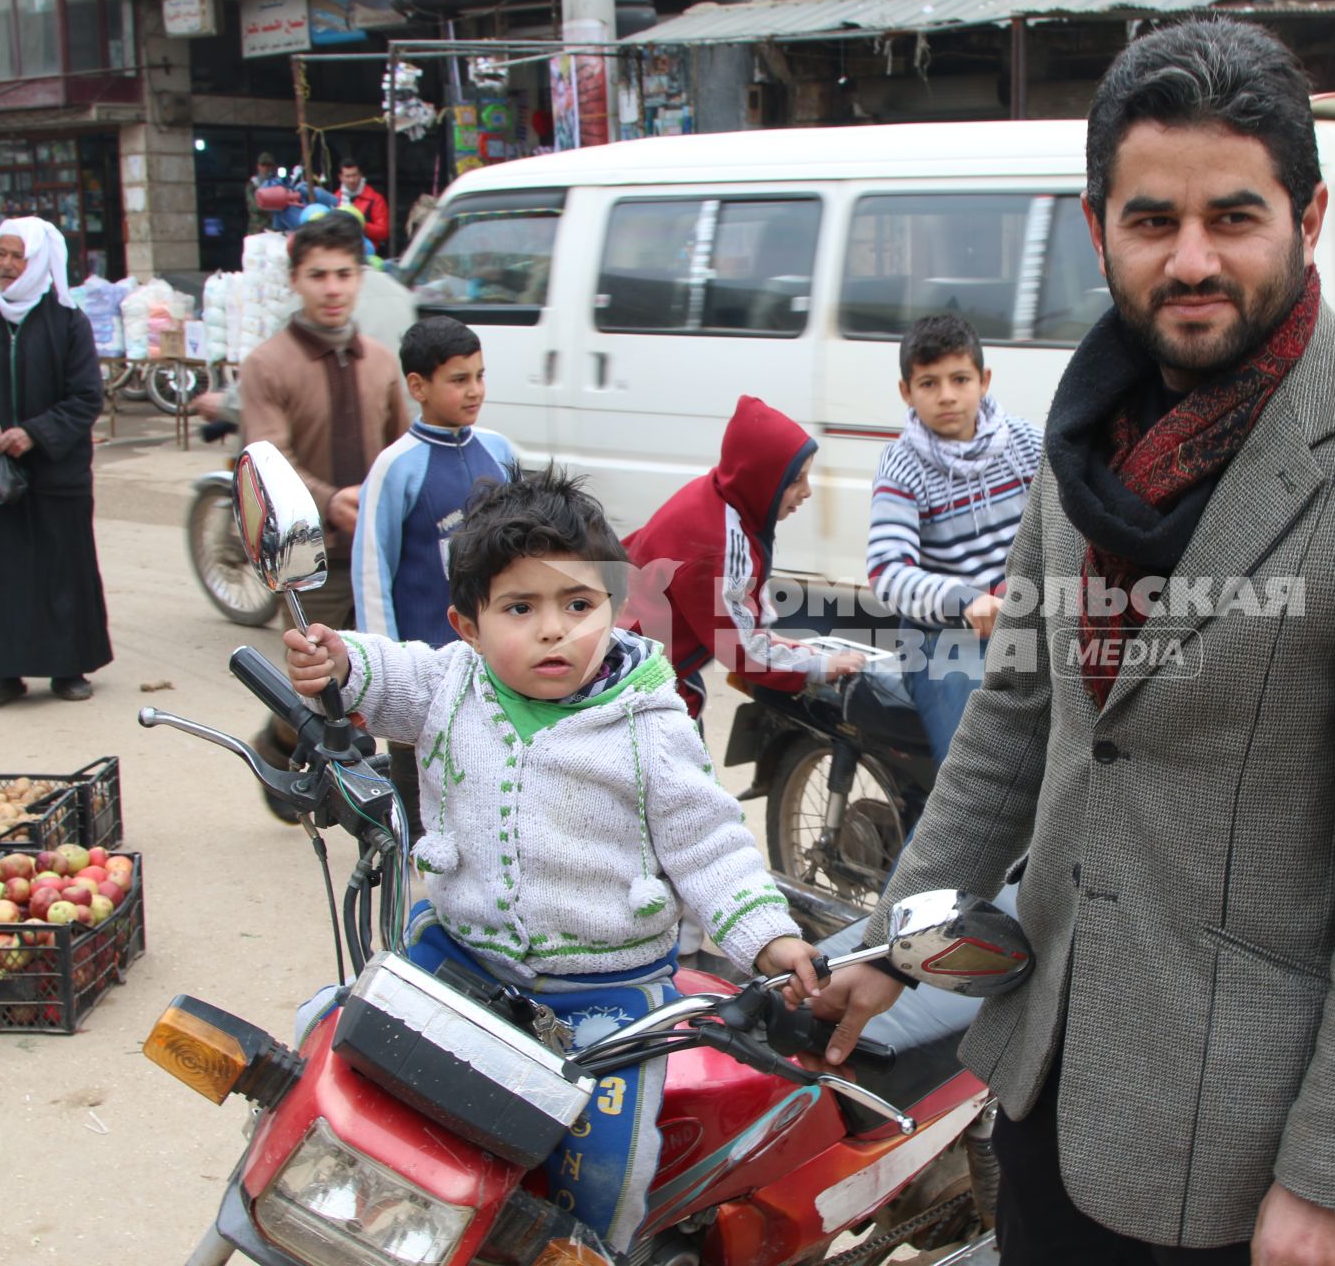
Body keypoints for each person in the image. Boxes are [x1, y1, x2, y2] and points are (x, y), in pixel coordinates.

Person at [795, 18, 1335, 1266]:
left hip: (1241, 1141)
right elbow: (1013, 728)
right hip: (1044, 1072)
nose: (1192, 259)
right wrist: (891, 942)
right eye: (1153, 222)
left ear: (1306, 220)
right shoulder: (1079, 445)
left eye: (1234, 218)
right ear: (1101, 230)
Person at [282, 466, 821, 1250]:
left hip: (603, 994)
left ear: (612, 605)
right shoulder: (451, 683)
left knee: (605, 1172)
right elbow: (382, 671)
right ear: (467, 623)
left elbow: (708, 842)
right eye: (520, 607)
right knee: (329, 1045)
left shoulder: (648, 720)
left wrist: (766, 935)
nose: (553, 629)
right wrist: (334, 662)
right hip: (457, 956)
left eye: (578, 604)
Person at [239, 212, 409, 798]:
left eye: (343, 273)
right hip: (310, 560)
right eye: (318, 275)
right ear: (295, 281)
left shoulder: (382, 362)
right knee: (319, 684)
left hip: (382, 552)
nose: (332, 288)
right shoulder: (267, 365)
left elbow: (403, 451)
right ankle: (282, 747)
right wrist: (328, 500)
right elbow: (269, 461)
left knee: (390, 677)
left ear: (360, 277)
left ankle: (384, 798)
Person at [353, 315, 515, 831]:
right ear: (418, 386)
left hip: (492, 650)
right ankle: (410, 857)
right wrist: (383, 667)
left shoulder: (500, 450)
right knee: (416, 779)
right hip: (422, 657)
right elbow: (373, 570)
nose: (474, 391)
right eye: (459, 379)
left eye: (480, 376)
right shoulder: (397, 466)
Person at [866, 314, 1041, 762]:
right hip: (941, 641)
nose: (946, 396)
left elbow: (1067, 522)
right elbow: (887, 571)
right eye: (928, 383)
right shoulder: (902, 466)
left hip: (1027, 623)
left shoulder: (1025, 445)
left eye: (959, 379)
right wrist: (965, 601)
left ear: (983, 381)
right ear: (906, 392)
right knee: (975, 783)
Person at [622, 395, 863, 722]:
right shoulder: (719, 544)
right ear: (762, 480)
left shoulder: (718, 496)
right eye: (795, 480)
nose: (807, 492)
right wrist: (820, 665)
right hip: (635, 685)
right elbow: (744, 651)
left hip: (635, 651)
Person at [0, 217, 110, 707]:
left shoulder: (67, 321)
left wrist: (35, 434)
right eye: (0, 254)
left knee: (62, 567)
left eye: (16, 256)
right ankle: (6, 671)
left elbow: (87, 396)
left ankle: (68, 668)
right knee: (2, 570)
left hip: (56, 471)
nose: (5, 265)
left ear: (38, 262)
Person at [338, 159, 391, 251]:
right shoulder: (336, 199)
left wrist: (360, 225)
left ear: (360, 175)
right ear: (340, 177)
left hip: (369, 253)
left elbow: (384, 232)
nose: (352, 180)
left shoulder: (376, 199)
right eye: (347, 176)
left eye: (354, 175)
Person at [246, 152, 279, 235]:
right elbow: (255, 207)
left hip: (274, 230)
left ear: (274, 167)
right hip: (257, 230)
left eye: (269, 165)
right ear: (258, 167)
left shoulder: (279, 184)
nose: (266, 168)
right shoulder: (252, 185)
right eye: (263, 165)